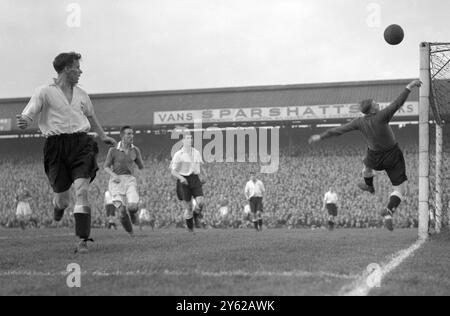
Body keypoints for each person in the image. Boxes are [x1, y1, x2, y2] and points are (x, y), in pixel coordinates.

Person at [16, 52, 116, 253]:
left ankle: (82, 240)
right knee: (63, 199)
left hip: (82, 144)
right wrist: (25, 120)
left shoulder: (82, 94)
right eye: (77, 67)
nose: (80, 71)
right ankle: (58, 206)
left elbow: (91, 115)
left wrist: (103, 135)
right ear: (65, 69)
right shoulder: (44, 92)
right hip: (56, 147)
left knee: (82, 190)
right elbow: (29, 113)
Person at [309, 79, 422, 231]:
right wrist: (409, 87)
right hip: (392, 155)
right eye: (375, 103)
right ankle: (388, 210)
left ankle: (369, 186)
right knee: (401, 190)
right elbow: (397, 103)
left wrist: (321, 136)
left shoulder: (359, 122)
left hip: (374, 156)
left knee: (366, 168)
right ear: (372, 109)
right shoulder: (382, 116)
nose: (378, 104)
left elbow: (339, 130)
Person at [104, 126, 144, 236]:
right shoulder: (113, 150)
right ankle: (130, 232)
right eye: (129, 134)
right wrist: (114, 175)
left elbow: (141, 166)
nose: (132, 136)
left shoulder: (135, 150)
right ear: (122, 136)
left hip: (130, 180)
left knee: (132, 207)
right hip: (116, 181)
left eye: (132, 133)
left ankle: (133, 214)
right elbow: (106, 167)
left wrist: (142, 178)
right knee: (121, 212)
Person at [170, 132, 207, 233]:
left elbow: (201, 165)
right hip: (184, 181)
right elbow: (173, 171)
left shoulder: (196, 152)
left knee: (201, 202)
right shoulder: (178, 155)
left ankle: (196, 215)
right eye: (187, 138)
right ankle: (190, 228)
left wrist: (205, 175)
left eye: (191, 138)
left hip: (195, 179)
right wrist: (181, 178)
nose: (190, 140)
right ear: (182, 141)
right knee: (189, 207)